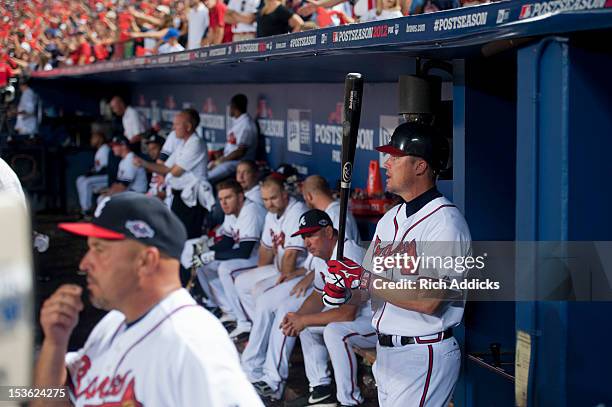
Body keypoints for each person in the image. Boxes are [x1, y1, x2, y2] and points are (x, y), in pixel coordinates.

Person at [33, 192, 264, 407]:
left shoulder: (192, 343)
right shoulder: (112, 325)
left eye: (99, 249)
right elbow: (50, 397)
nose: (84, 263)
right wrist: (55, 343)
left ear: (146, 261)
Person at [322, 122, 472, 407]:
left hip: (423, 352)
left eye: (395, 156)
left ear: (420, 166)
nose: (386, 163)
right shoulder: (390, 219)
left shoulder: (445, 223)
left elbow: (430, 300)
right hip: (388, 351)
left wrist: (363, 278)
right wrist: (345, 291)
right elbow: (374, 289)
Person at [279, 209, 375, 407]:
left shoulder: (349, 254)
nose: (306, 242)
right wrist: (298, 318)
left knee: (335, 332)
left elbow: (348, 313)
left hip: (376, 321)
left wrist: (305, 320)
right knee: (306, 324)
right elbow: (318, 295)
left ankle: (350, 401)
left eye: (311, 235)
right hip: (358, 320)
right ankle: (321, 389)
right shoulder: (321, 258)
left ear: (329, 232)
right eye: (304, 236)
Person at [234, 176, 308, 343]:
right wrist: (261, 273)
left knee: (260, 290)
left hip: (298, 272)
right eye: (265, 199)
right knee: (241, 282)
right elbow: (265, 250)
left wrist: (280, 280)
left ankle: (271, 336)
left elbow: (291, 255)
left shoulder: (297, 212)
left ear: (284, 194)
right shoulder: (271, 215)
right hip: (279, 268)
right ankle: (259, 330)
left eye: (273, 198)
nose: (269, 203)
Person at [189, 179, 266, 334]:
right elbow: (227, 242)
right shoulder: (231, 212)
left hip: (263, 257)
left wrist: (211, 255)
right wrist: (204, 251)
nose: (223, 203)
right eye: (221, 199)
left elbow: (244, 251)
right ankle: (228, 311)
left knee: (226, 269)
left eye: (228, 198)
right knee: (203, 265)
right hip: (249, 254)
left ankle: (244, 323)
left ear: (240, 197)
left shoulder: (250, 211)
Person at [134, 109, 209, 238]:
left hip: (193, 199)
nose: (174, 128)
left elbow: (175, 171)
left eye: (177, 124)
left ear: (188, 126)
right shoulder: (183, 144)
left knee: (189, 238)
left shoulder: (196, 143)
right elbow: (165, 167)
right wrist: (144, 163)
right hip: (180, 196)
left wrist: (167, 171)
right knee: (177, 236)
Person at [208, 94, 258, 184]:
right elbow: (233, 145)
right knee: (206, 169)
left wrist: (221, 160)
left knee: (207, 178)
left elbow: (240, 152)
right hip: (230, 160)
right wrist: (221, 152)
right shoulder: (239, 121)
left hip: (240, 162)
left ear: (234, 106)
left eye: (230, 106)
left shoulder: (246, 125)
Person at [301, 175, 360, 243]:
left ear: (309, 196)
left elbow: (344, 250)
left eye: (305, 198)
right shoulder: (333, 212)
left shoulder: (336, 214)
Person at [76, 131, 111, 215]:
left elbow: (104, 168)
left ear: (100, 139)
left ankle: (86, 210)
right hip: (101, 177)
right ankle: (83, 208)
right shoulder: (99, 150)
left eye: (94, 138)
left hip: (107, 177)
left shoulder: (105, 149)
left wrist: (92, 174)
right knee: (80, 179)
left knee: (86, 182)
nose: (92, 140)